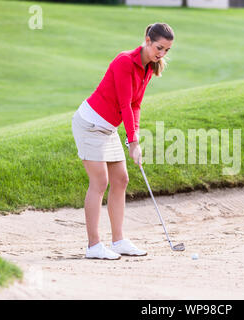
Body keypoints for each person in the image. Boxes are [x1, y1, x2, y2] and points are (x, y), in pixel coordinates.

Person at [71, 23, 174, 260]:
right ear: (147, 40)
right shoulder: (125, 61)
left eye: (167, 50)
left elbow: (136, 105)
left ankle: (118, 241)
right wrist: (133, 143)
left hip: (107, 129)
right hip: (90, 124)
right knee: (100, 182)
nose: (162, 54)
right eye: (159, 47)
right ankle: (94, 245)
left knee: (122, 179)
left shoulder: (149, 67)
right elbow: (124, 104)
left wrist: (133, 137)